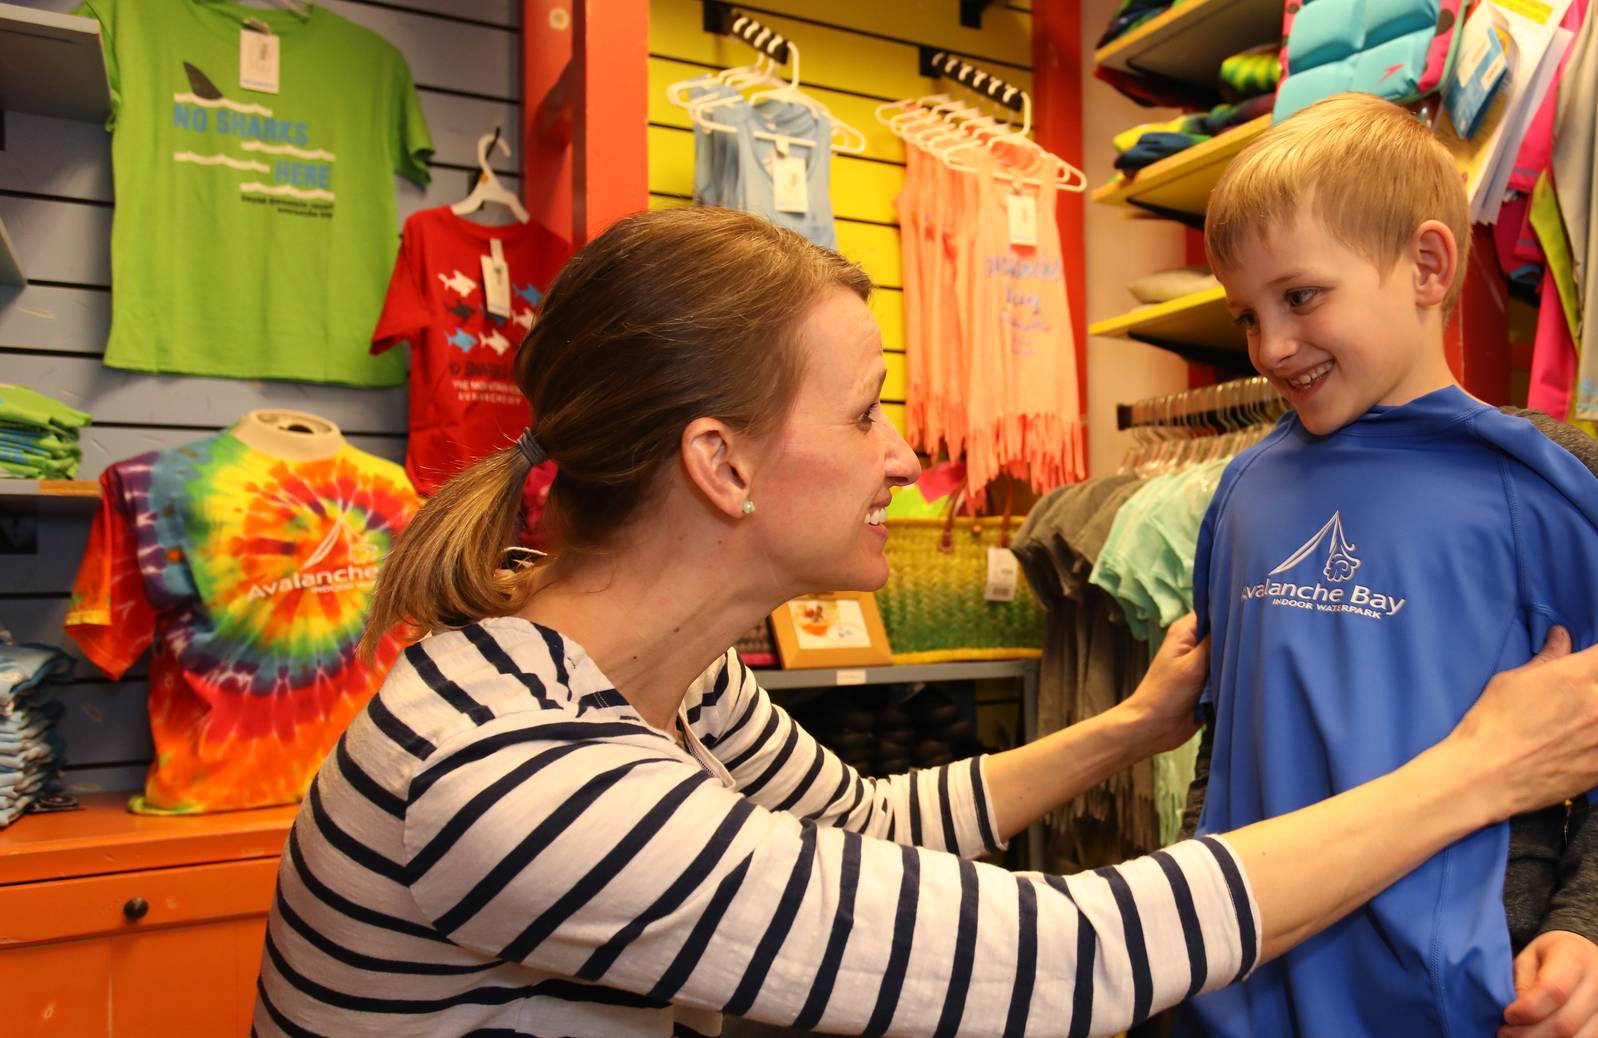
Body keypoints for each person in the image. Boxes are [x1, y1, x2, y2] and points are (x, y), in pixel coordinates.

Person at [253, 206, 1598, 1038]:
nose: (903, 458)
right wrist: (1475, 769)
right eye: (861, 412)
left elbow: (866, 830)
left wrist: (1126, 730)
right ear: (720, 466)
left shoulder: (669, 680)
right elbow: (1068, 961)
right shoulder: (510, 775)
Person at [1179, 92, 1598, 1038]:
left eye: (1300, 297)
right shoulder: (1242, 492)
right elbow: (1227, 743)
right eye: (1248, 315)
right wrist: (1188, 932)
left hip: (1457, 999)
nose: (1272, 347)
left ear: (1426, 264)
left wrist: (1586, 929)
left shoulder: (1547, 481)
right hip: (1236, 987)